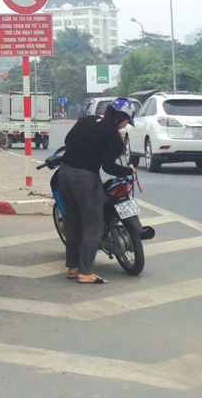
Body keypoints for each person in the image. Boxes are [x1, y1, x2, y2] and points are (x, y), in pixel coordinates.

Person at [58, 97, 137, 285]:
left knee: (73, 222)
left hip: (65, 173)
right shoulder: (111, 136)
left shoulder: (87, 120)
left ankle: (73, 267)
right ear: (120, 118)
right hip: (85, 179)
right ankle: (85, 272)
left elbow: (68, 140)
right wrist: (128, 170)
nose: (126, 125)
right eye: (127, 121)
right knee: (93, 226)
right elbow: (109, 167)